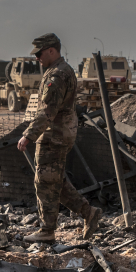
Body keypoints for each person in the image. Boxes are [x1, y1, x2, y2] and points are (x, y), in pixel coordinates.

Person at [16, 33, 102, 243]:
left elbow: (47, 111)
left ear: (52, 50)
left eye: (40, 53)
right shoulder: (59, 71)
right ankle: (88, 212)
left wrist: (28, 135)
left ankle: (47, 231)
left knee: (44, 181)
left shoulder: (57, 75)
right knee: (55, 180)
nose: (37, 58)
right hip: (57, 134)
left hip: (53, 136)